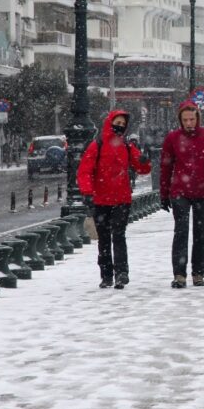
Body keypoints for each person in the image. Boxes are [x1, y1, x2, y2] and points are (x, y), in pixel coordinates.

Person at [77, 110, 151, 289]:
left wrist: (144, 160)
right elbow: (84, 170)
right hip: (101, 199)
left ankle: (121, 273)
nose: (120, 126)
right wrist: (87, 192)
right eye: (117, 122)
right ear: (110, 123)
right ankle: (106, 275)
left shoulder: (126, 145)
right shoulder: (98, 145)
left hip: (121, 198)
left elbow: (142, 169)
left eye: (123, 123)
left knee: (118, 235)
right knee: (104, 238)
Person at [160, 100, 204, 288]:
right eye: (185, 119)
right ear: (180, 120)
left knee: (200, 233)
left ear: (197, 119)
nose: (189, 123)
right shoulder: (172, 138)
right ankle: (179, 274)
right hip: (180, 191)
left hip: (203, 191)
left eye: (192, 119)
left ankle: (198, 273)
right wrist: (164, 194)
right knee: (180, 231)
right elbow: (166, 167)